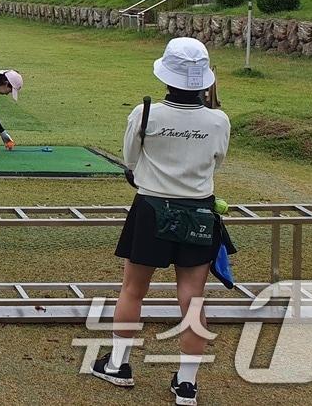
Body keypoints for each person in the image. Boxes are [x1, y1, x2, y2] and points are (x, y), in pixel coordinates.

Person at [91, 38, 231, 406]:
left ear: (166, 75)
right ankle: (187, 383)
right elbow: (216, 161)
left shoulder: (145, 112)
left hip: (151, 207)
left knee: (133, 289)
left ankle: (118, 365)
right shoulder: (218, 120)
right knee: (193, 300)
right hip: (199, 212)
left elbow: (130, 159)